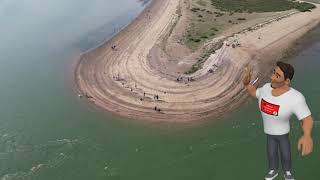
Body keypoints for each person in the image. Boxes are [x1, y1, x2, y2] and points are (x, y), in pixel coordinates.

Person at [243, 61, 314, 180]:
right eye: (273, 73)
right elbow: (255, 93)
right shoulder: (266, 88)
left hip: (283, 135)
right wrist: (246, 84)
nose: (272, 77)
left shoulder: (295, 98)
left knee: (285, 154)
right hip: (269, 134)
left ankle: (287, 172)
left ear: (287, 81)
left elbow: (307, 119)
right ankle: (273, 170)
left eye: (277, 76)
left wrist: (307, 136)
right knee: (271, 153)